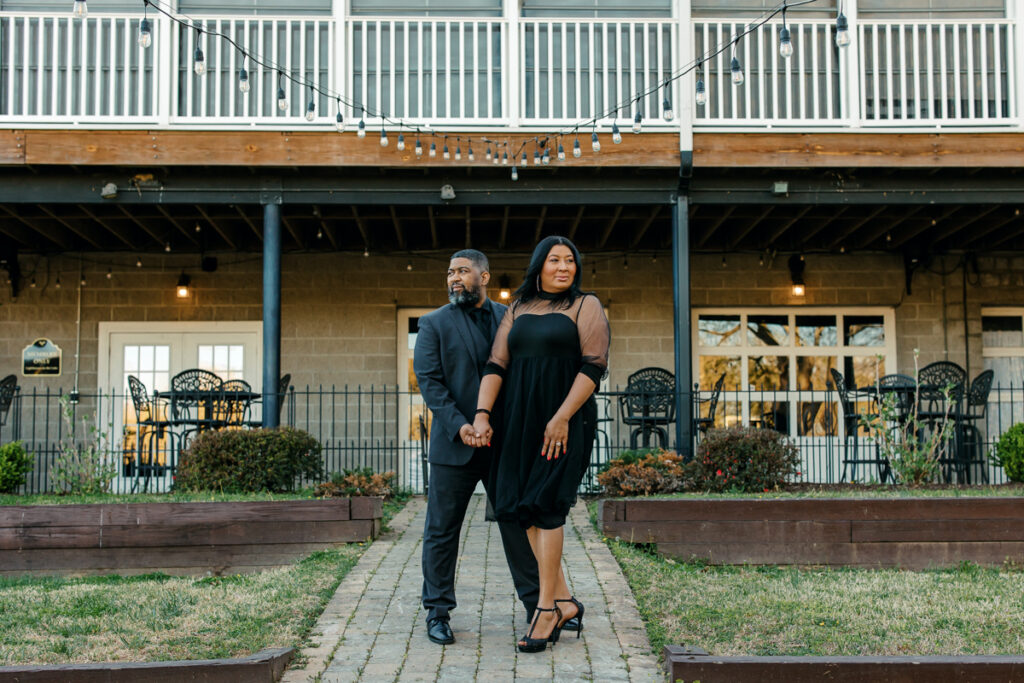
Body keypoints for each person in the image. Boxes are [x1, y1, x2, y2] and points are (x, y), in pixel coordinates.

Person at [469, 235, 610, 653]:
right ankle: (564, 601)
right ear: (539, 266)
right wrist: (481, 414)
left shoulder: (586, 306)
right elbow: (497, 364)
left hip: (564, 420)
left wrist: (562, 417)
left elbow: (593, 366)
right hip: (518, 421)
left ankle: (545, 608)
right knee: (524, 508)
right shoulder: (518, 308)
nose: (564, 267)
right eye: (555, 260)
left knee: (547, 507)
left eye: (570, 260)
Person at [413, 249, 540, 647]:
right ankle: (437, 611)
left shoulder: (513, 317)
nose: (454, 277)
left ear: (484, 277)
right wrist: (461, 425)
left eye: (463, 271)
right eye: (450, 272)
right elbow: (430, 382)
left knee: (516, 524)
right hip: (455, 445)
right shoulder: (433, 323)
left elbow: (522, 375)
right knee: (441, 530)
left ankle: (539, 607)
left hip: (504, 444)